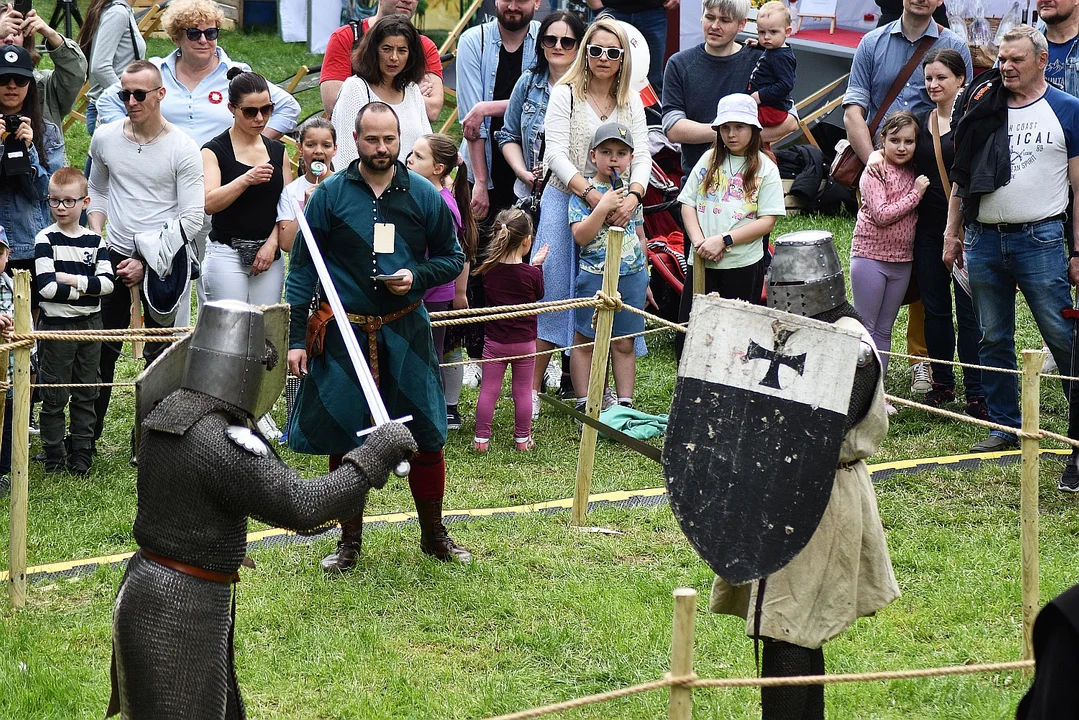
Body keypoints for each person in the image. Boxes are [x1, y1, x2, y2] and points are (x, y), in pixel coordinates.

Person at [106, 299, 417, 719]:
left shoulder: (169, 411)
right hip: (181, 611)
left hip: (145, 592)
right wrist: (374, 456)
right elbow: (304, 507)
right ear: (248, 368)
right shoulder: (222, 442)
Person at [711, 235, 899, 720]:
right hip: (777, 488)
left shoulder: (850, 346)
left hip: (821, 495)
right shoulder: (786, 330)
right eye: (779, 283)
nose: (783, 294)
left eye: (794, 285)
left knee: (791, 629)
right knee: (787, 625)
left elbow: (821, 432)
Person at [285, 103, 470, 571]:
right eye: (372, 140)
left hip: (405, 328)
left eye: (390, 139)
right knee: (343, 435)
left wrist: (418, 275)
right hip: (344, 331)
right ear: (355, 138)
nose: (382, 148)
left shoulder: (423, 194)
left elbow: (452, 257)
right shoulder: (329, 196)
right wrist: (295, 339)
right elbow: (303, 271)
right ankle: (349, 543)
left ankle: (433, 535)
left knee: (426, 434)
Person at [945, 25, 1079, 461]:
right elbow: (961, 178)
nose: (1006, 67)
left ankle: (1077, 423)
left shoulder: (1067, 109)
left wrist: (1078, 251)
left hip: (1040, 239)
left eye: (1016, 59)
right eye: (1002, 59)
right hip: (982, 237)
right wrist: (952, 232)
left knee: (1062, 334)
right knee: (992, 335)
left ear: (1041, 60)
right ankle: (1003, 424)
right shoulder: (983, 106)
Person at [843, 0, 971, 396]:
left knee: (922, 265)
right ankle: (874, 367)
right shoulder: (872, 42)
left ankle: (921, 361)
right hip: (882, 164)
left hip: (933, 168)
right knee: (888, 257)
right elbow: (853, 110)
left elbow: (962, 108)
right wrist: (874, 164)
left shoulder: (953, 44)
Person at [88, 60, 205, 450]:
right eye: (125, 94)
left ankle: (152, 445)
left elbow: (192, 218)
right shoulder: (104, 138)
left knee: (159, 358)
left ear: (160, 94)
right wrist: (94, 237)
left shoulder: (183, 148)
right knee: (101, 350)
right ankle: (84, 442)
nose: (132, 101)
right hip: (113, 254)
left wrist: (148, 259)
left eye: (140, 94)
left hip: (164, 262)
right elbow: (98, 191)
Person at [534, 17, 651, 403]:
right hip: (565, 195)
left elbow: (644, 153)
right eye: (596, 49)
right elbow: (554, 152)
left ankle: (607, 391)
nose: (603, 57)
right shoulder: (565, 92)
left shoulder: (631, 99)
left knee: (612, 291)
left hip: (619, 201)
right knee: (555, 292)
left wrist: (633, 196)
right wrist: (589, 194)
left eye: (613, 52)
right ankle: (531, 390)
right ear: (585, 51)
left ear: (623, 59)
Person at [95, 0, 301, 147]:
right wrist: (130, 140)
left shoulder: (237, 75)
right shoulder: (156, 72)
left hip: (222, 175)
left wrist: (255, 145)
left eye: (210, 33)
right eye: (194, 34)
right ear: (176, 38)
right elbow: (107, 101)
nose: (203, 40)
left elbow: (288, 107)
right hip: (163, 173)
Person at [675, 93, 785, 359]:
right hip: (701, 261)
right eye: (725, 128)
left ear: (754, 129)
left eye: (739, 127)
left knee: (735, 336)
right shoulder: (708, 160)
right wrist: (700, 241)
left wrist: (724, 240)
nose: (732, 134)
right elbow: (687, 203)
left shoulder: (766, 168)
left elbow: (767, 221)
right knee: (691, 334)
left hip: (741, 264)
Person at [911, 48, 985, 418]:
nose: (933, 84)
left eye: (941, 77)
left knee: (970, 312)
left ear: (961, 80)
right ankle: (942, 383)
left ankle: (977, 391)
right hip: (928, 229)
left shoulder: (973, 121)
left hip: (967, 230)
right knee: (935, 310)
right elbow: (892, 148)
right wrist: (877, 157)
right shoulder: (918, 123)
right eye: (928, 78)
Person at [34, 168, 114, 476]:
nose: (62, 208)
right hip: (56, 329)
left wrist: (70, 278)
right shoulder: (45, 239)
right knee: (54, 393)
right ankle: (53, 454)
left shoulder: (95, 241)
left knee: (87, 390)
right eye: (55, 201)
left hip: (90, 326)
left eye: (69, 201)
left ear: (85, 202)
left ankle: (82, 452)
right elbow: (46, 288)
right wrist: (87, 286)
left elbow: (108, 285)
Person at [662, 0, 799, 179]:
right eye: (709, 17)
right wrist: (730, 131)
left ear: (742, 24)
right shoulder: (679, 64)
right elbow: (673, 128)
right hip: (700, 179)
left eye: (725, 20)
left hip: (751, 179)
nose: (715, 26)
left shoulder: (762, 58)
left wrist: (728, 135)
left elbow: (791, 121)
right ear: (701, 18)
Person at [850, 111, 929, 414]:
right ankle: (861, 395)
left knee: (885, 329)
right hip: (870, 256)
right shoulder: (875, 170)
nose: (901, 147)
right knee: (867, 328)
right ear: (881, 140)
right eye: (894, 140)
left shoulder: (914, 171)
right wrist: (915, 194)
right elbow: (882, 214)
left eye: (908, 141)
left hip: (902, 260)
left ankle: (877, 394)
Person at [567, 122, 648, 409]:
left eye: (621, 153)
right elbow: (581, 236)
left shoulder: (632, 196)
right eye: (606, 151)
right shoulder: (583, 195)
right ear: (593, 156)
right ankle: (586, 401)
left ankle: (624, 404)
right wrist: (601, 207)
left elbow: (640, 236)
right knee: (586, 339)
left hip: (631, 275)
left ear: (630, 158)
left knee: (624, 342)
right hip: (594, 276)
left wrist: (645, 274)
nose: (613, 159)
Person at [406, 132, 478, 431]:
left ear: (438, 169)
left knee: (429, 356)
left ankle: (431, 415)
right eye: (411, 152)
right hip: (413, 288)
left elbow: (453, 254)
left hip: (432, 293)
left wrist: (458, 292)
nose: (409, 159)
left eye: (419, 156)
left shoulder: (442, 205)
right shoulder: (418, 193)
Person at [202, 68, 291, 306]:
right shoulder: (214, 150)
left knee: (265, 332)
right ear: (232, 109)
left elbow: (287, 208)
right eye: (250, 112)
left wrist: (272, 245)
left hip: (268, 254)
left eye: (267, 109)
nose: (260, 118)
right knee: (229, 330)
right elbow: (209, 203)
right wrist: (245, 179)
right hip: (226, 251)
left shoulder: (277, 151)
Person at [456, 0, 541, 222]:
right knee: (478, 250)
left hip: (529, 170)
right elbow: (471, 122)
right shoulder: (473, 41)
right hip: (481, 165)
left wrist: (486, 108)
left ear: (537, 2)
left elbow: (545, 103)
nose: (512, 6)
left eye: (521, 0)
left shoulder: (548, 39)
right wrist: (482, 183)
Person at [471, 208, 546, 452]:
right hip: (524, 342)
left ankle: (481, 440)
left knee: (489, 390)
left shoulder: (488, 271)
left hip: (495, 342)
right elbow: (539, 294)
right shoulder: (531, 273)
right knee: (522, 391)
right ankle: (522, 440)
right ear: (527, 241)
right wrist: (537, 266)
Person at [495, 10, 586, 204]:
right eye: (550, 40)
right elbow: (508, 135)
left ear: (580, 46)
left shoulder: (589, 89)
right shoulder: (528, 82)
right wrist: (522, 173)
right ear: (541, 44)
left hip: (575, 196)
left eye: (567, 42)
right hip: (528, 195)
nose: (558, 46)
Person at [0, 44, 66, 297]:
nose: (12, 86)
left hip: (32, 244)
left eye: (20, 79)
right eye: (4, 78)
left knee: (33, 325)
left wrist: (29, 151)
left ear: (30, 84)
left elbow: (48, 193)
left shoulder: (47, 132)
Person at [331, 15, 431, 170]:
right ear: (373, 51)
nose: (394, 57)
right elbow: (346, 156)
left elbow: (429, 146)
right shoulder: (355, 88)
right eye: (387, 49)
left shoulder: (412, 90)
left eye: (402, 50)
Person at [319, 0, 445, 122]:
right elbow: (334, 105)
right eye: (386, 49)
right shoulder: (346, 37)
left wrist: (362, 96)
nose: (407, 1)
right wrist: (411, 95)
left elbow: (432, 111)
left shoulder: (424, 46)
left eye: (402, 50)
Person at [0, 5, 88, 126]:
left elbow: (75, 73)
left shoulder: (45, 86)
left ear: (26, 37)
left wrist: (51, 34)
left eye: (15, 31)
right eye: (3, 33)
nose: (9, 39)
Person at [78, 0, 145, 149]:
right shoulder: (117, 13)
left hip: (117, 107)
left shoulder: (122, 11)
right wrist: (126, 97)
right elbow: (100, 67)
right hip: (112, 110)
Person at [277, 117, 338, 251]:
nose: (318, 151)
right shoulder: (291, 191)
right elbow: (286, 244)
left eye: (326, 145)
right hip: (304, 267)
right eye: (310, 145)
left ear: (335, 149)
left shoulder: (345, 187)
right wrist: (307, 208)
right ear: (300, 148)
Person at [589, 0, 676, 92]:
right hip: (608, 9)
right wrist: (595, 4)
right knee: (599, 77)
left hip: (653, 11)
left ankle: (652, 107)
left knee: (653, 82)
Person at [748, 2, 796, 131]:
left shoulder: (782, 57)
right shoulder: (775, 49)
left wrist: (760, 96)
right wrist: (759, 45)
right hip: (766, 106)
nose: (766, 37)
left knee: (743, 122)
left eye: (773, 32)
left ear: (787, 32)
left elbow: (786, 85)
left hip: (772, 109)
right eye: (761, 32)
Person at [0, 229, 15, 496]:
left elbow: (27, 321)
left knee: (8, 422)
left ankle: (4, 473)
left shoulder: (14, 284)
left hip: (11, 370)